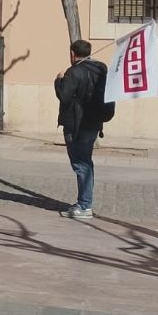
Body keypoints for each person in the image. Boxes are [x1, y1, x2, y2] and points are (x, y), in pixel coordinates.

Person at [54, 39, 110, 221]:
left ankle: (85, 205)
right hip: (93, 124)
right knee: (86, 162)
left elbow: (64, 96)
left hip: (76, 125)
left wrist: (58, 81)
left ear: (72, 53)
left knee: (80, 164)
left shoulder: (74, 72)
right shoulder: (101, 69)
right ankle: (84, 202)